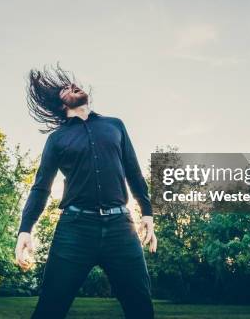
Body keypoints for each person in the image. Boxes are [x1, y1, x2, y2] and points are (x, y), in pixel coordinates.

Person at [15, 65, 157, 319]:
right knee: (49, 309)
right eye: (65, 90)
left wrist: (146, 212)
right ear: (61, 106)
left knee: (141, 308)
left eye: (72, 84)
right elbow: (41, 187)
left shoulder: (115, 125)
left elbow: (133, 172)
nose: (72, 87)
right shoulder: (57, 139)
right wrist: (26, 229)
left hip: (120, 228)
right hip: (75, 230)